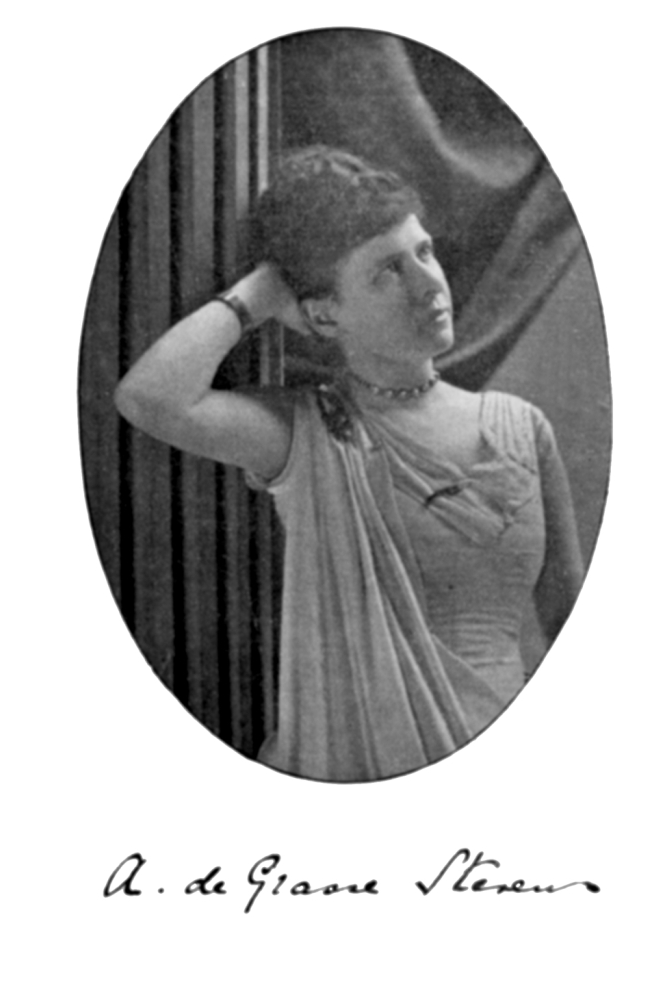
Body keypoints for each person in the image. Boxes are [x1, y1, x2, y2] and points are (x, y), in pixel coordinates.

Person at [115, 146, 583, 783]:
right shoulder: (308, 433)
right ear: (323, 313)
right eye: (388, 271)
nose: (428, 283)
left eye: (424, 252)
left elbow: (573, 631)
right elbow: (148, 398)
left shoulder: (523, 429)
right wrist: (258, 294)